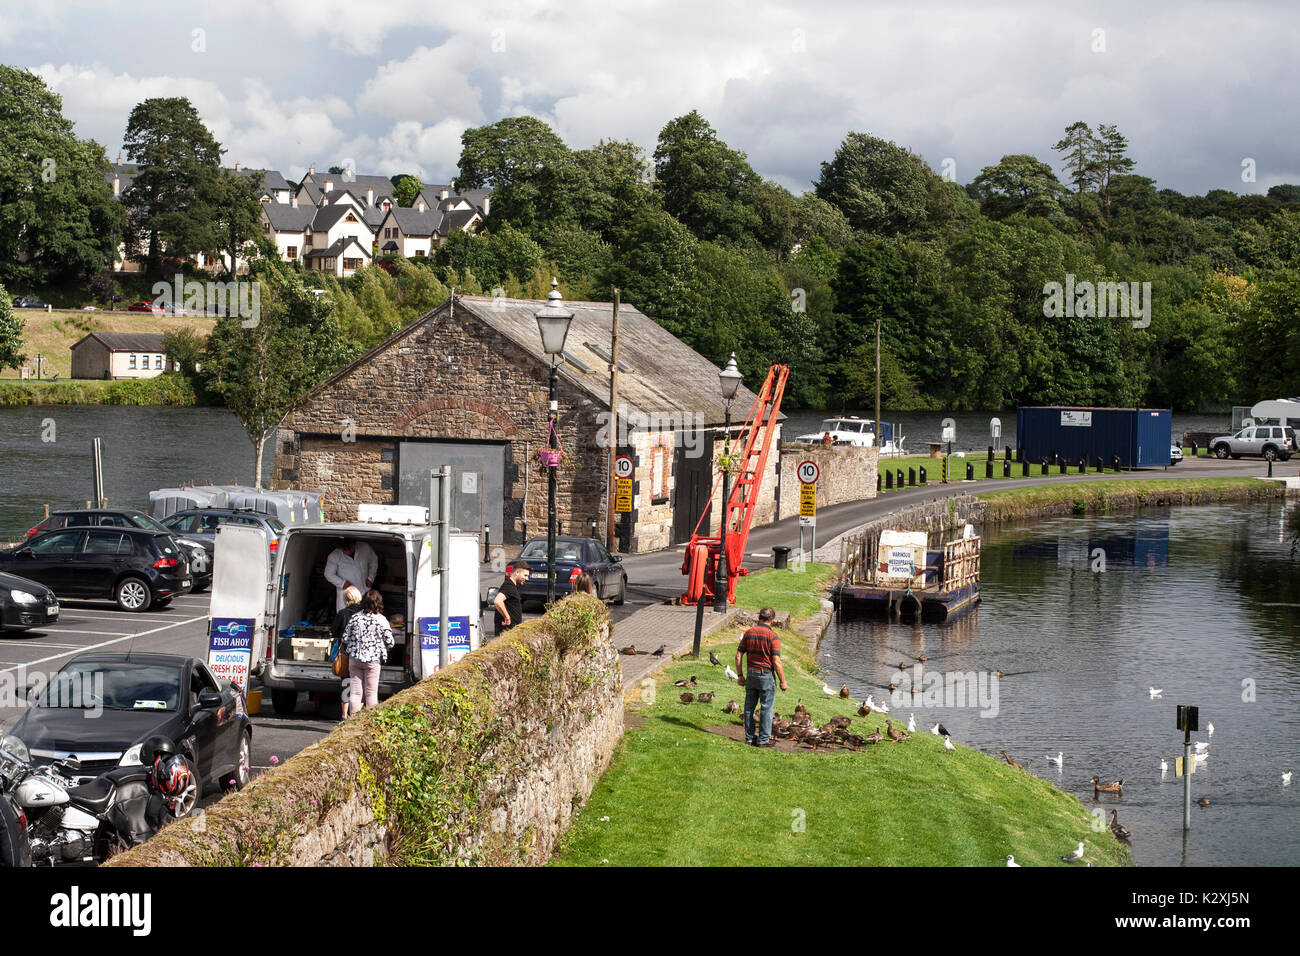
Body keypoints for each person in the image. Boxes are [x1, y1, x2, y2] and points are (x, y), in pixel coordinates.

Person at [734, 606, 787, 747]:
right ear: (773, 621)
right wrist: (783, 681)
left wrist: (740, 675)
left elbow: (738, 655)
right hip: (766, 675)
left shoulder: (749, 633)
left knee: (749, 707)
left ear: (759, 618)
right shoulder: (773, 636)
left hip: (751, 674)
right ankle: (764, 740)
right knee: (766, 708)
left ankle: (749, 738)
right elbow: (776, 661)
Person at [342, 589, 393, 713]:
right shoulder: (381, 620)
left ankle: (353, 721)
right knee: (371, 693)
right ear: (378, 603)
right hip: (373, 660)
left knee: (355, 692)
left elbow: (344, 638)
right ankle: (369, 723)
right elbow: (390, 642)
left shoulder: (355, 618)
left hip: (355, 658)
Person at [331, 586, 362, 718]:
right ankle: (357, 714)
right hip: (360, 652)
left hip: (345, 652)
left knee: (346, 682)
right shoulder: (363, 613)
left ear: (345, 599)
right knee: (360, 683)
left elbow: (334, 631)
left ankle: (344, 714)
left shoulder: (342, 613)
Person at [324, 538, 378, 611]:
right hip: (346, 595)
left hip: (364, 591)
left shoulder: (365, 547)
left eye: (350, 548)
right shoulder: (334, 555)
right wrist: (342, 583)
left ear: (354, 543)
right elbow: (328, 574)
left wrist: (371, 577)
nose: (347, 551)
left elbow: (374, 561)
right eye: (344, 549)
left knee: (365, 617)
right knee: (346, 618)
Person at [493, 564, 530, 634]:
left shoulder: (513, 586)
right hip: (506, 631)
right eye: (525, 575)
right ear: (517, 573)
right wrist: (507, 617)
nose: (527, 578)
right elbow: (498, 601)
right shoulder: (508, 586)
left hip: (511, 630)